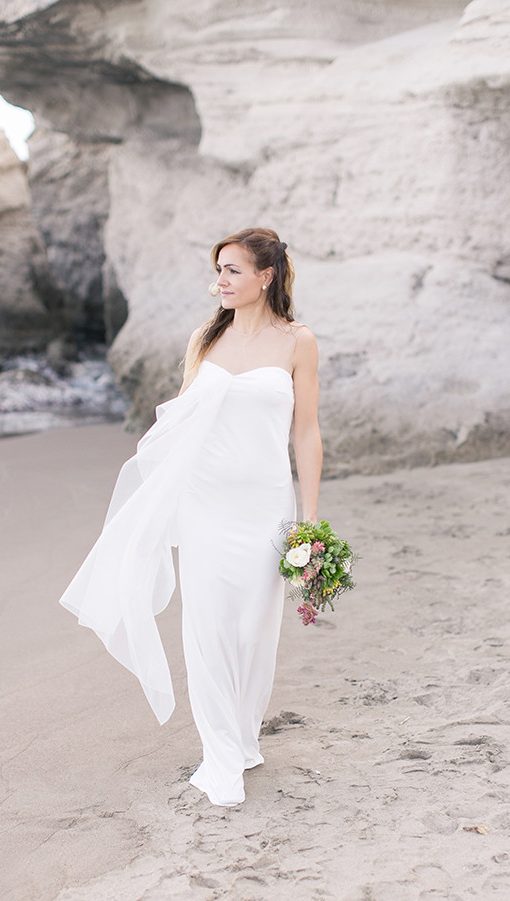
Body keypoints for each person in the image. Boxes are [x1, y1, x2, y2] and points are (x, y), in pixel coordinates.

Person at [60, 227, 322, 806]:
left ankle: (243, 734)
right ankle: (220, 751)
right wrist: (158, 500)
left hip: (265, 505)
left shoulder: (298, 342)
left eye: (232, 270)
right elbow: (180, 424)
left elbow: (305, 432)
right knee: (205, 625)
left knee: (254, 629)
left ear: (265, 276)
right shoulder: (206, 339)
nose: (221, 281)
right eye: (219, 270)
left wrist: (310, 519)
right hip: (207, 503)